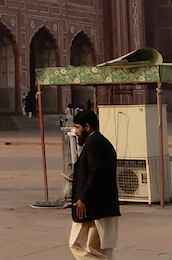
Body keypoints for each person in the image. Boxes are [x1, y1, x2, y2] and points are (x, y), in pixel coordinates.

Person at [68, 109, 120, 260]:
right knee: (98, 250)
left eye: (78, 128)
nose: (76, 132)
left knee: (79, 245)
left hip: (96, 208)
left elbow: (97, 172)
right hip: (102, 207)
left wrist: (84, 198)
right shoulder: (99, 142)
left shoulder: (94, 144)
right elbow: (96, 170)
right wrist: (78, 177)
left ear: (87, 127)